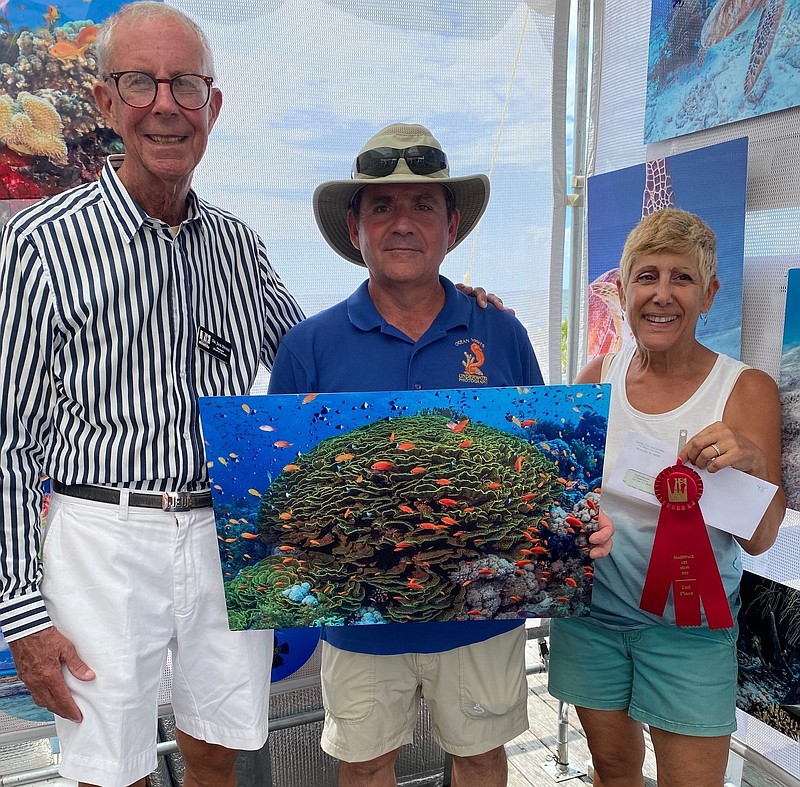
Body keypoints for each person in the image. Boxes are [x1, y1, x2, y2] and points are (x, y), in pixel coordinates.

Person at [0, 3, 308, 786]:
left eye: (187, 85)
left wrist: (431, 309)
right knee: (113, 770)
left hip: (222, 528)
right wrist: (23, 611)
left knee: (217, 749)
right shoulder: (39, 244)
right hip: (100, 534)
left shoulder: (237, 244)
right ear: (105, 101)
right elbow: (8, 441)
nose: (165, 105)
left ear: (213, 105)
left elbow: (311, 369)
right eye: (141, 82)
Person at [268, 122, 614, 787]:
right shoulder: (307, 346)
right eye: (383, 206)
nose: (403, 222)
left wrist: (580, 522)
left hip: (483, 613)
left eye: (423, 205)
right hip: (360, 624)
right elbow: (292, 484)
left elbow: (545, 460)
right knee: (364, 767)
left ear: (451, 225)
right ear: (356, 227)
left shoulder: (501, 330)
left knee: (482, 761)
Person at [548, 208, 786, 787]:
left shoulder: (745, 388)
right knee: (611, 771)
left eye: (682, 278)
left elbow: (759, 540)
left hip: (690, 629)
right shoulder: (595, 376)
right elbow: (562, 501)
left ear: (710, 294)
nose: (662, 294)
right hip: (591, 619)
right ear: (624, 290)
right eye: (646, 276)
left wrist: (752, 461)